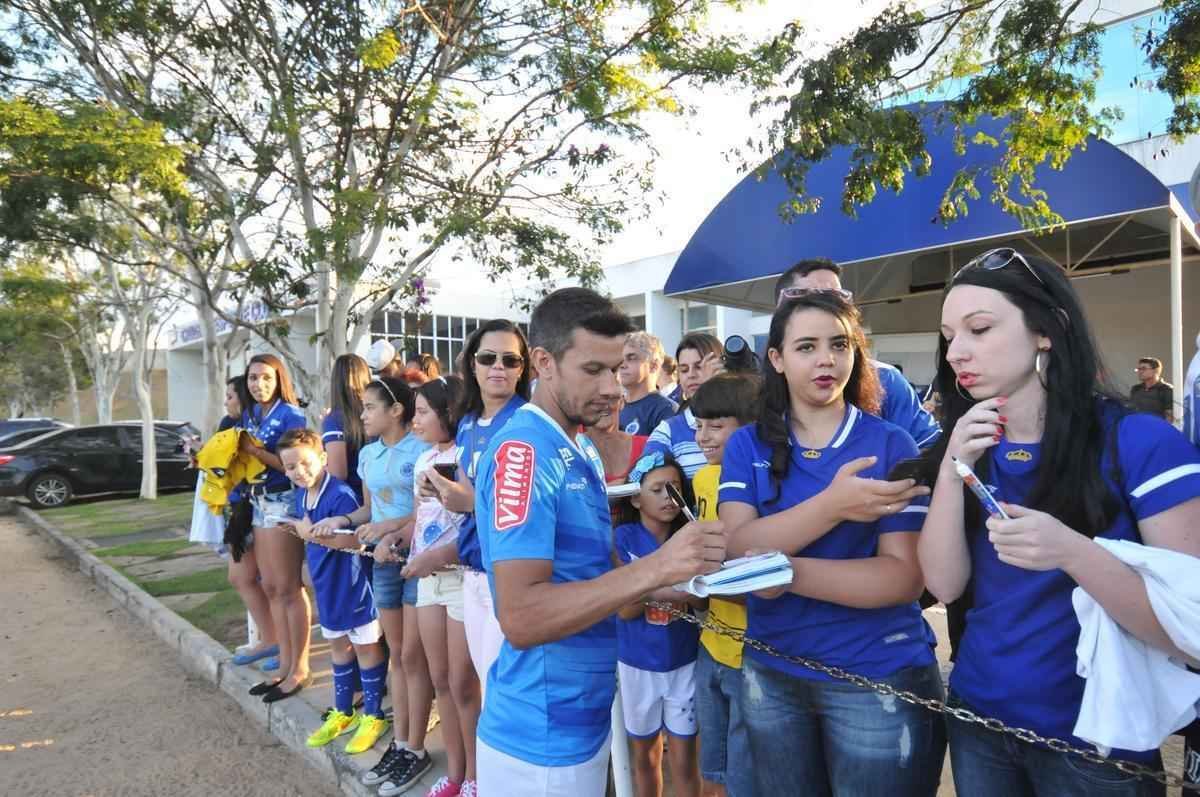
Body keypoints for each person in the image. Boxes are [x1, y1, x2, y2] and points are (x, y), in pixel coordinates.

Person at [918, 248, 1200, 797]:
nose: (957, 352)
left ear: (1046, 330)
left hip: (1095, 744)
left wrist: (1073, 551)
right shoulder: (968, 443)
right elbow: (944, 585)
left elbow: (1189, 628)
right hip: (979, 719)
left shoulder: (1139, 442)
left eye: (979, 328)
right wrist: (953, 472)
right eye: (949, 335)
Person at [473, 287, 727, 797]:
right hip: (539, 741)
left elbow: (604, 576)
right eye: (594, 370)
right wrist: (658, 567)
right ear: (543, 363)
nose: (613, 387)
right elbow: (521, 617)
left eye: (618, 368)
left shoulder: (577, 446)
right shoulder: (524, 452)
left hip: (579, 721)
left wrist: (696, 585)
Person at [720, 291, 945, 796]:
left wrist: (784, 571)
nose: (826, 359)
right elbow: (736, 551)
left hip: (875, 674)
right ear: (776, 359)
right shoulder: (747, 445)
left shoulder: (889, 443)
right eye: (806, 347)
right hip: (771, 669)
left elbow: (902, 578)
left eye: (839, 344)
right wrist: (832, 506)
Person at [315, 376, 433, 794]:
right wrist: (342, 521)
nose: (362, 415)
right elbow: (367, 507)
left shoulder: (423, 451)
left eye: (369, 407)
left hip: (420, 562)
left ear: (395, 410)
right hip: (381, 563)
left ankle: (416, 746)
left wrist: (389, 529)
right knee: (398, 655)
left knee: (416, 658)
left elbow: (426, 512)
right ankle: (402, 744)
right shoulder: (367, 454)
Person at [419, 320, 532, 695]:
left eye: (510, 360)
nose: (498, 366)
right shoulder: (467, 423)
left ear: (522, 368)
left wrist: (468, 503)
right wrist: (442, 490)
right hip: (473, 568)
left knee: (502, 691)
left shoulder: (527, 422)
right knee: (486, 685)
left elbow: (530, 510)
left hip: (510, 573)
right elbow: (470, 492)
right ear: (472, 364)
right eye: (488, 357)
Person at [275, 429, 390, 755]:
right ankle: (343, 711)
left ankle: (374, 716)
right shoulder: (301, 494)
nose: (299, 471)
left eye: (305, 463)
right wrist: (299, 532)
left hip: (353, 587)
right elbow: (308, 531)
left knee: (366, 649)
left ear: (323, 458)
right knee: (338, 648)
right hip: (327, 587)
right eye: (290, 466)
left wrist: (306, 533)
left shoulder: (340, 495)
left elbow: (355, 540)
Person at [397, 376, 481, 797]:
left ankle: (476, 778)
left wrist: (436, 556)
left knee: (466, 683)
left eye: (423, 412)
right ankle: (454, 772)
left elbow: (474, 519)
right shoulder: (422, 459)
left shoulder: (469, 454)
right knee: (441, 679)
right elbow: (420, 518)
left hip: (461, 577)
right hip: (427, 580)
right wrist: (395, 539)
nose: (414, 421)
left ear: (448, 411)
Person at [775, 258, 941, 448]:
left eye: (836, 299)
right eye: (809, 301)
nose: (825, 309)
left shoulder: (885, 381)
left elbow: (930, 450)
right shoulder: (755, 410)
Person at [687, 373, 760, 797]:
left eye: (716, 426)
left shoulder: (760, 482)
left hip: (751, 652)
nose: (703, 437)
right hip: (710, 641)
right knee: (712, 764)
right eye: (698, 425)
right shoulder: (701, 480)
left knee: (745, 772)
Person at [614, 453, 703, 797]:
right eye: (657, 489)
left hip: (684, 662)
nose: (669, 496)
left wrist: (645, 587)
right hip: (637, 664)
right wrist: (673, 585)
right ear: (636, 498)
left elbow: (702, 598)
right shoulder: (622, 538)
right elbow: (625, 609)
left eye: (675, 488)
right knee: (645, 758)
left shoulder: (691, 536)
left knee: (684, 761)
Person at [239, 354, 311, 703]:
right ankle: (284, 661)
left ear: (278, 379)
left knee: (288, 587)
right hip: (257, 502)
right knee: (270, 585)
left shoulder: (291, 415)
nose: (258, 384)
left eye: (265, 378)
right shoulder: (253, 414)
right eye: (253, 378)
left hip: (282, 502)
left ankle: (299, 666)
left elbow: (291, 465)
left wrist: (252, 450)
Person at [218, 375, 280, 667]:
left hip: (262, 507)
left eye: (230, 395)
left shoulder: (260, 425)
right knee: (242, 577)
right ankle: (272, 640)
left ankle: (278, 642)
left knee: (277, 583)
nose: (226, 401)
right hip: (242, 509)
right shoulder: (229, 425)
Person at [644, 333, 725, 479]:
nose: (691, 375)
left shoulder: (743, 421)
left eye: (699, 367)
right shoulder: (668, 431)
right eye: (684, 369)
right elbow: (642, 478)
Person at [324, 354, 371, 499]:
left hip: (351, 501)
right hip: (381, 497)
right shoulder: (377, 413)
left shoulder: (334, 420)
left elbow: (338, 473)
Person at [618, 331, 677, 436]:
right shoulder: (614, 407)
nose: (622, 365)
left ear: (654, 365)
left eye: (631, 358)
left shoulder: (666, 410)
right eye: (620, 359)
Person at [582, 395, 648, 485]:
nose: (601, 405)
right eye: (592, 401)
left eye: (607, 397)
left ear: (621, 401)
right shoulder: (571, 451)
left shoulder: (647, 446)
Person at [1129, 356, 1174, 422]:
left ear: (1156, 370)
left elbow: (1169, 417)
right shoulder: (1135, 389)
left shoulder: (1167, 390)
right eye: (1138, 369)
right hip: (1137, 428)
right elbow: (1131, 411)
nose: (1140, 372)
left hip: (1157, 429)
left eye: (1144, 369)